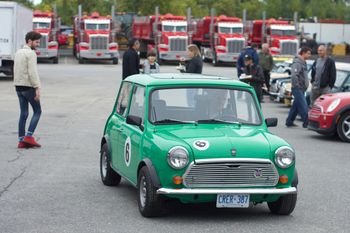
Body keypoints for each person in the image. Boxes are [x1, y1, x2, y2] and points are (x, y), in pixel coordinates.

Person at [14, 31, 42, 148]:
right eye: (36, 42)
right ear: (29, 41)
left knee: (24, 113)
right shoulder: (31, 54)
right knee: (37, 111)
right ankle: (29, 137)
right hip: (28, 87)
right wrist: (37, 87)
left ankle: (21, 140)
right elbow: (32, 72)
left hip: (18, 87)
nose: (38, 44)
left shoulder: (18, 52)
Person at [286, 47, 312, 128]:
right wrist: (297, 86)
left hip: (301, 88)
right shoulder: (297, 62)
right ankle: (307, 123)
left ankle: (289, 121)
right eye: (308, 53)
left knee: (296, 106)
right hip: (298, 88)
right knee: (303, 106)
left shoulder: (303, 62)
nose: (309, 55)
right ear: (303, 53)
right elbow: (294, 75)